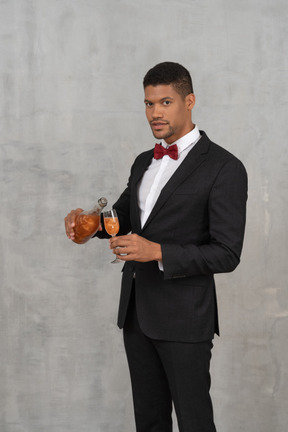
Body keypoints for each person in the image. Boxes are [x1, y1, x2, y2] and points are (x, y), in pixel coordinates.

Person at [65, 62, 248, 432]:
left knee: (195, 423)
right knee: (149, 423)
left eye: (165, 102)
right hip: (137, 313)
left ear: (190, 101)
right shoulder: (143, 162)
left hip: (185, 318)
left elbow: (227, 252)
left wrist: (158, 251)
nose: (155, 113)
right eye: (149, 104)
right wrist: (89, 225)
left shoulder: (224, 168)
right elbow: (123, 218)